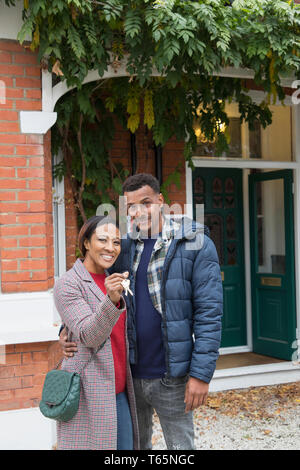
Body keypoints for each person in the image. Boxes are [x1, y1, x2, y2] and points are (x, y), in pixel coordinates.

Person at [60, 173, 223, 450]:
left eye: (145, 202)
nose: (138, 212)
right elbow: (94, 295)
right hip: (130, 376)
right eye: (131, 206)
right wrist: (66, 331)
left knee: (181, 448)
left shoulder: (195, 244)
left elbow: (209, 314)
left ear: (160, 201)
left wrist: (200, 375)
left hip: (172, 376)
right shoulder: (124, 248)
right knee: (136, 447)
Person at [53, 215, 139, 450]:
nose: (111, 248)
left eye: (117, 242)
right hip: (88, 394)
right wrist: (112, 301)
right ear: (86, 243)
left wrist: (64, 330)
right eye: (102, 240)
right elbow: (89, 335)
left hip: (120, 389)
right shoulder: (69, 284)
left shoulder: (116, 277)